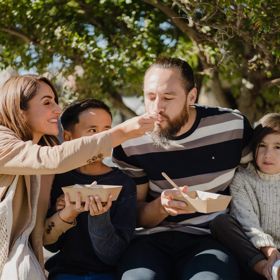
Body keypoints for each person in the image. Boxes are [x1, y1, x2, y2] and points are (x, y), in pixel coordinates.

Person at [0, 75, 155, 280]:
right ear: (19, 108)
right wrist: (123, 131)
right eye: (47, 102)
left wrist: (67, 213)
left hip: (24, 262)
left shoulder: (46, 169)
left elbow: (42, 236)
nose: (57, 109)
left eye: (55, 101)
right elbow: (54, 158)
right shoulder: (5, 141)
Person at [112, 57, 253, 280]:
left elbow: (255, 182)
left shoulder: (232, 126)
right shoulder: (131, 141)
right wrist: (161, 207)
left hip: (212, 237)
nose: (157, 107)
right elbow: (135, 216)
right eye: (150, 97)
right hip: (150, 240)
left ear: (192, 96)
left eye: (168, 97)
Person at [43, 99, 137, 280]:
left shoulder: (123, 183)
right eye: (92, 131)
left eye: (107, 131)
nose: (102, 139)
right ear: (69, 138)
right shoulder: (57, 179)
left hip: (110, 274)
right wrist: (62, 213)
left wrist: (100, 218)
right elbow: (51, 246)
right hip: (65, 272)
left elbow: (112, 256)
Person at [224, 113, 280, 280]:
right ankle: (265, 269)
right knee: (221, 223)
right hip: (255, 253)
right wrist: (270, 252)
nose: (268, 155)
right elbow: (248, 223)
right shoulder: (242, 178)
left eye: (278, 147)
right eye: (262, 145)